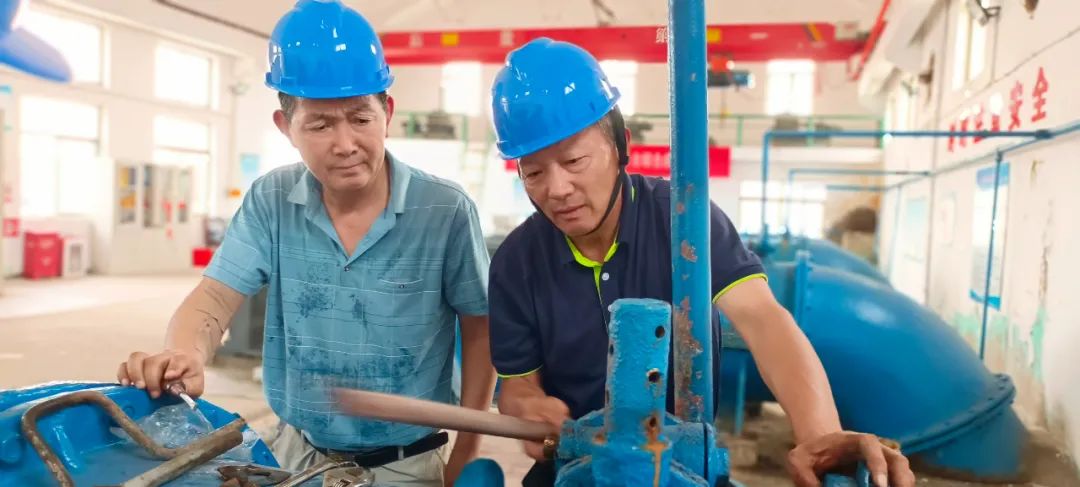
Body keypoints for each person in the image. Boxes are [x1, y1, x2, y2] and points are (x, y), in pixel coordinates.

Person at [486, 37, 916, 487]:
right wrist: (528, 405)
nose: (556, 189)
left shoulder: (685, 222)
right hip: (573, 465)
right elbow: (517, 384)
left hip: (681, 462)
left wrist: (822, 438)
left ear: (620, 146)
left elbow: (763, 319)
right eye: (533, 172)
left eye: (574, 160)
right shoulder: (516, 262)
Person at [116, 1, 496, 485]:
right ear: (286, 127)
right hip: (297, 453)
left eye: (361, 119)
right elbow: (214, 296)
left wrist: (467, 450)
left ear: (387, 113)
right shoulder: (272, 199)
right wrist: (185, 352)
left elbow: (480, 328)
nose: (345, 143)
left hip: (406, 463)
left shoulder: (444, 209)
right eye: (320, 124)